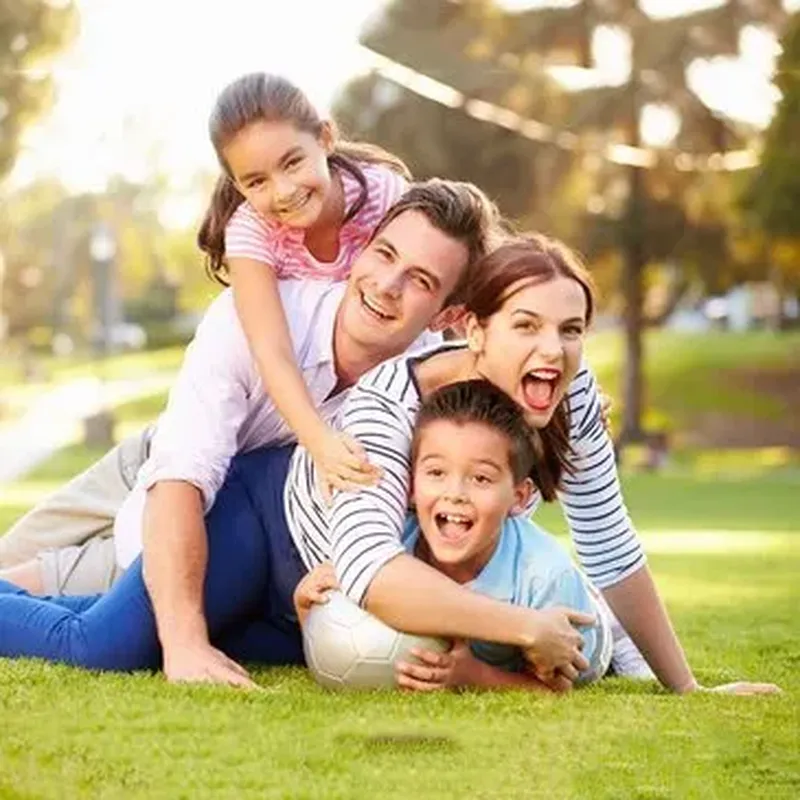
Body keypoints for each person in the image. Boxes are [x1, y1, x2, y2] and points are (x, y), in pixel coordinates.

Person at [0, 202, 597, 688]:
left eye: (421, 281)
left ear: (450, 312)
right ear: (475, 327)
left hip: (305, 584)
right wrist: (523, 627)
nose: (547, 346)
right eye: (525, 324)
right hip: (251, 518)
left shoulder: (538, 390)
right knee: (100, 643)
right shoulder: (388, 390)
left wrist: (624, 656)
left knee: (150, 630)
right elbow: (368, 566)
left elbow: (597, 552)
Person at [0, 70, 412, 592]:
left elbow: (434, 274)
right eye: (256, 182)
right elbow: (269, 349)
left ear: (326, 138)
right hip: (175, 445)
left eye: (293, 162)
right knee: (16, 551)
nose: (283, 192)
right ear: (236, 186)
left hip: (240, 465)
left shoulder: (384, 197)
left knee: (105, 570)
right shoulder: (253, 230)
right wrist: (319, 441)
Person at [296, 379, 615, 692]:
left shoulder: (546, 579)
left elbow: (557, 689)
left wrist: (476, 677)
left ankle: (613, 619)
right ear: (410, 485)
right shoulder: (392, 548)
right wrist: (309, 606)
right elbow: (336, 629)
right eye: (436, 473)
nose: (455, 493)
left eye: (480, 478)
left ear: (518, 497)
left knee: (591, 622)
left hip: (582, 632)